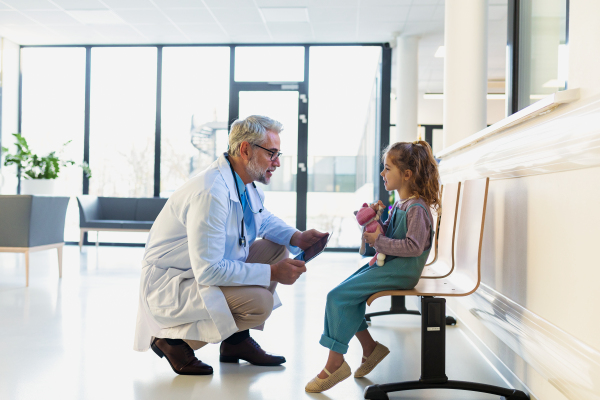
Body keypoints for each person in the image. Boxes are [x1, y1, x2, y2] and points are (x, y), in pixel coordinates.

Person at [134, 115, 328, 375]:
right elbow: (209, 271)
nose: (277, 162)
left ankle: (234, 343)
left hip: (197, 272)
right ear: (246, 149)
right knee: (260, 304)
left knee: (277, 248)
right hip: (173, 283)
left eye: (278, 153)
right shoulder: (211, 192)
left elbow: (262, 219)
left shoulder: (244, 184)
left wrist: (296, 237)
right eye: (272, 153)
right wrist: (272, 273)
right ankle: (170, 340)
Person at [305, 140, 441, 393]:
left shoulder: (417, 209)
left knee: (337, 296)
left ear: (407, 174)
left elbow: (413, 246)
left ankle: (335, 362)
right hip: (391, 265)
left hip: (402, 271)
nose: (382, 173)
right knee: (345, 295)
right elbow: (393, 235)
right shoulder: (401, 204)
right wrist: (378, 220)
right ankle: (369, 348)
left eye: (387, 168)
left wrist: (379, 239)